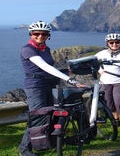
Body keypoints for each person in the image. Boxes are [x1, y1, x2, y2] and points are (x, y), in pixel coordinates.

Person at [18, 21, 82, 156]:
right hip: (35, 86)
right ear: (31, 34)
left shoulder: (45, 49)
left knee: (50, 115)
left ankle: (49, 143)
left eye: (44, 34)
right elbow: (45, 67)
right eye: (36, 34)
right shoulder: (27, 49)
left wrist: (64, 72)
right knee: (37, 117)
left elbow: (49, 69)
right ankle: (24, 149)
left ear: (48, 35)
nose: (40, 36)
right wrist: (70, 80)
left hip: (49, 84)